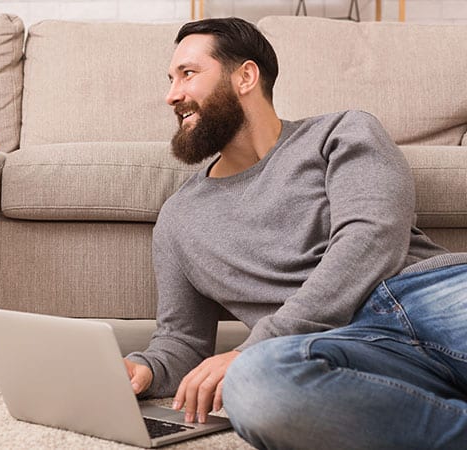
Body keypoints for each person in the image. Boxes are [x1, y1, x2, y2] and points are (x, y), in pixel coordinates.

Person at [124, 17, 467, 449]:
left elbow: (372, 238)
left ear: (245, 76)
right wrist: (145, 370)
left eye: (188, 74)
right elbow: (183, 341)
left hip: (422, 297)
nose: (172, 95)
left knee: (250, 362)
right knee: (255, 384)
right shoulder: (178, 219)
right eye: (171, 79)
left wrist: (257, 342)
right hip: (337, 351)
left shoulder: (341, 131)